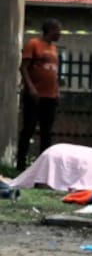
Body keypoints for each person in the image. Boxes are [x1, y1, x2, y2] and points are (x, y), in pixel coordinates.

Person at [16, 18, 61, 171]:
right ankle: (20, 164)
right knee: (28, 128)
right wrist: (30, 88)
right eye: (57, 30)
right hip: (35, 95)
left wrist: (57, 91)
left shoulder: (54, 49)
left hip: (50, 97)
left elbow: (54, 72)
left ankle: (43, 168)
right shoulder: (34, 44)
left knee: (46, 132)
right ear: (50, 30)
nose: (60, 33)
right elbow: (23, 67)